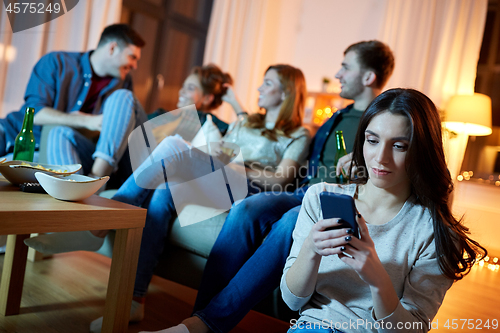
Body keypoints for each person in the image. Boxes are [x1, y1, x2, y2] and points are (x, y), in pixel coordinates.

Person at [25, 64, 311, 332]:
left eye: (268, 83)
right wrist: (218, 154)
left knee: (173, 144)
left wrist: (236, 166)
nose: (260, 87)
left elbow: (281, 179)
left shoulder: (298, 133)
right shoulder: (247, 122)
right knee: (163, 189)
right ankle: (134, 301)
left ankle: (101, 221)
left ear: (286, 92)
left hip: (250, 189)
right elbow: (225, 147)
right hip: (219, 179)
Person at [151, 41, 395, 333]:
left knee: (290, 222)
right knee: (247, 208)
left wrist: (364, 166)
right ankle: (197, 317)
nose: (338, 73)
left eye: (345, 67)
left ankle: (206, 324)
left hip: (337, 197)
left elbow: (387, 170)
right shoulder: (337, 116)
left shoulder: (381, 121)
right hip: (304, 191)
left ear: (368, 77)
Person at [281, 88, 487, 333]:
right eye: (373, 140)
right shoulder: (320, 198)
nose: (380, 158)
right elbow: (292, 301)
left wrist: (378, 280)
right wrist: (311, 250)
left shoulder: (432, 231)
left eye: (399, 146)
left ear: (422, 152)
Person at [0, 24, 146, 178]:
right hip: (13, 131)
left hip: (48, 149)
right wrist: (85, 120)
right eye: (132, 57)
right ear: (112, 48)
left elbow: (117, 132)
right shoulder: (56, 62)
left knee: (18, 170)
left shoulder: (123, 86)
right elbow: (35, 113)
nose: (135, 66)